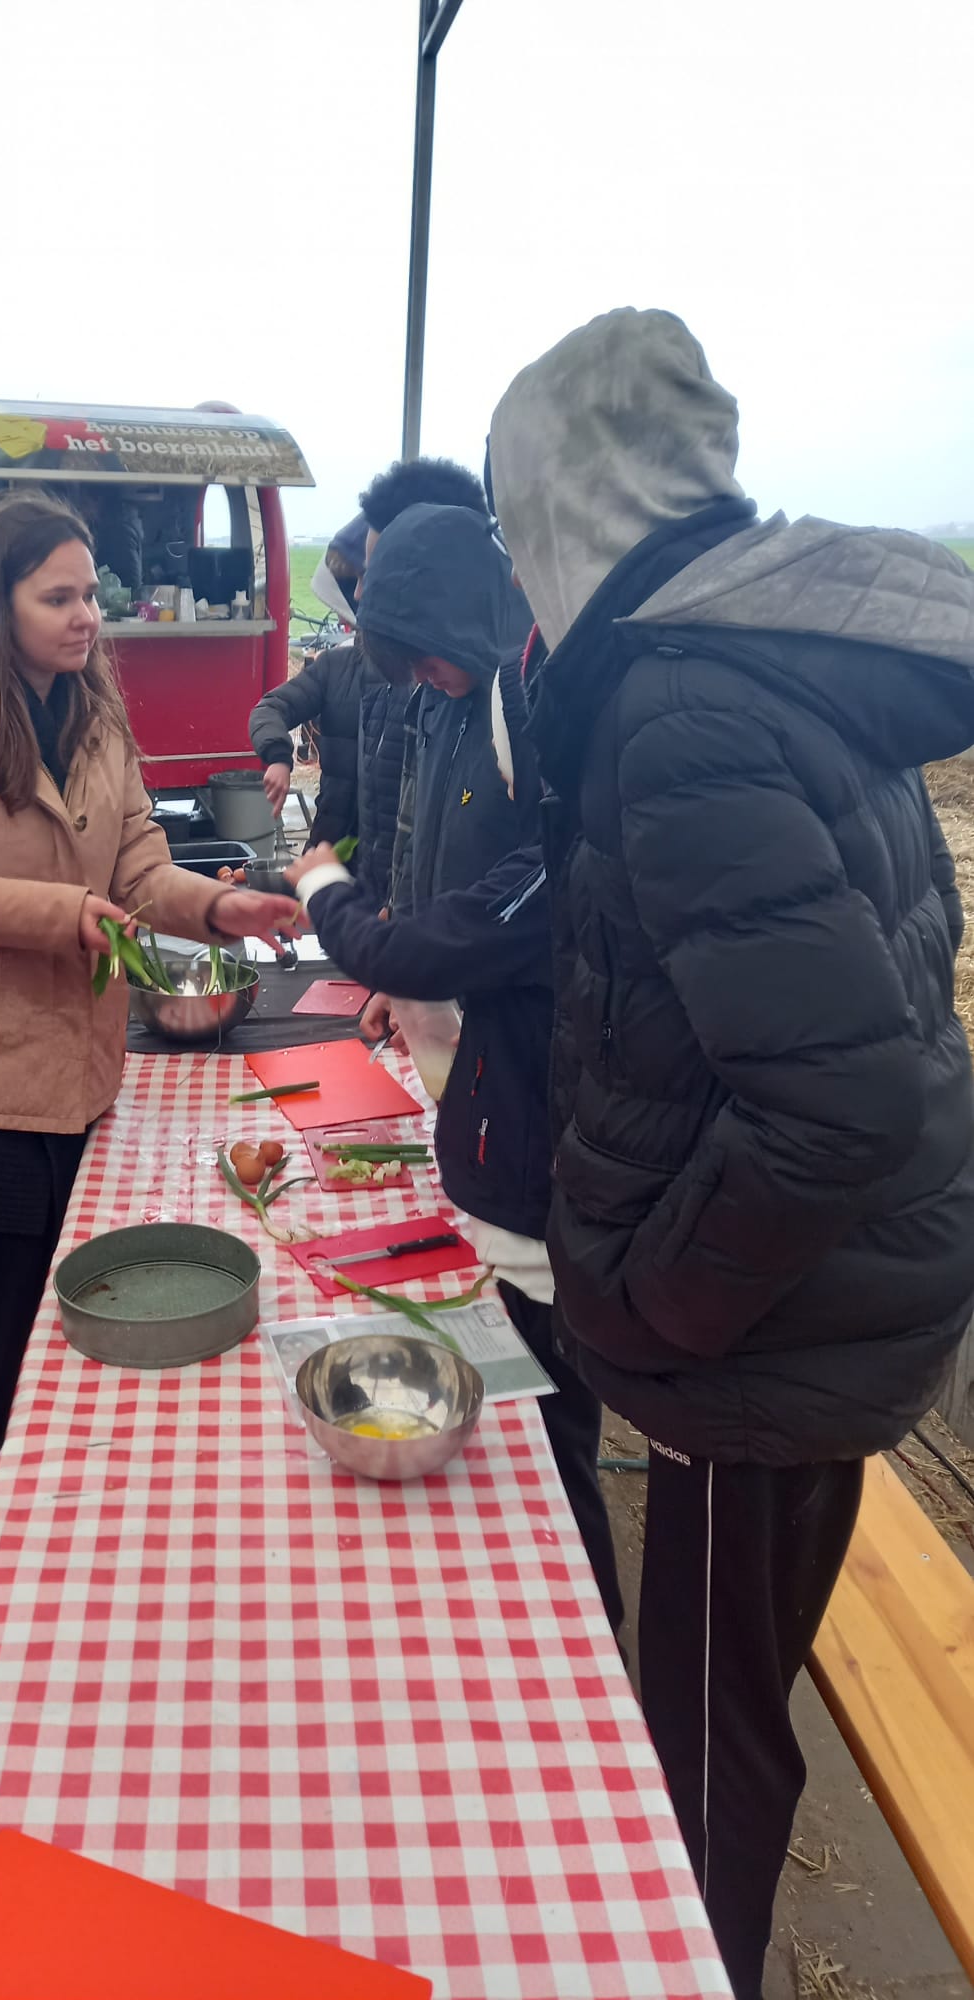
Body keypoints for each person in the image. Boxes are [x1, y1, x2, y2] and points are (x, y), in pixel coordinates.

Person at [486, 305, 974, 1999]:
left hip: (765, 1337)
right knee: (728, 1689)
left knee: (708, 1740)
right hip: (831, 1311)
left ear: (565, 514)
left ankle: (696, 1971)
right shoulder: (758, 660)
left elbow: (839, 1105)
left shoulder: (681, 711)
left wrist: (659, 1309)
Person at [0, 491, 302, 1536]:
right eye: (55, 596)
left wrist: (214, 905)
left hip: (74, 1049)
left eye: (89, 593)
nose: (85, 616)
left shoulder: (97, 712)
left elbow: (139, 858)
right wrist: (64, 914)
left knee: (58, 1263)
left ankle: (33, 1439)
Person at [284, 508, 624, 1636]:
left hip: (544, 1104)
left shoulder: (546, 725)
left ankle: (585, 1638)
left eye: (424, 653)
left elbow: (482, 915)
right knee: (527, 1367)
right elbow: (432, 873)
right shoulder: (444, 704)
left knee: (550, 1414)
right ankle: (542, 1604)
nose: (420, 676)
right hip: (485, 1074)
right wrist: (407, 958)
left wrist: (340, 899)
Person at [354, 456, 490, 908]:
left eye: (376, 575)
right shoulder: (432, 694)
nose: (359, 593)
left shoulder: (516, 703)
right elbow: (410, 836)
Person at [248, 516, 367, 839]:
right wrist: (278, 757)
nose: (356, 594)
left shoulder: (424, 678)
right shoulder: (334, 667)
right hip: (333, 842)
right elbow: (269, 708)